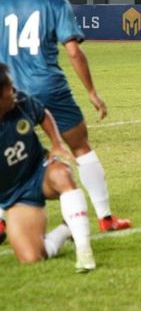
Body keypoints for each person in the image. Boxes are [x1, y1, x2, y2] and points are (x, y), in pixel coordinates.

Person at [0, 0, 131, 235]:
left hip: (7, 93)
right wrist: (92, 93)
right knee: (81, 147)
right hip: (49, 89)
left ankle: (1, 220)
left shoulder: (2, 4)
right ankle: (106, 218)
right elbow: (73, 52)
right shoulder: (56, 4)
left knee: (4, 150)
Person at [0, 63, 96, 271]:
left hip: (39, 172)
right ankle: (66, 229)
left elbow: (42, 114)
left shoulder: (20, 101)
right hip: (16, 197)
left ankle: (84, 251)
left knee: (62, 173)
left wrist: (56, 144)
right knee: (32, 258)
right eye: (8, 88)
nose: (13, 90)